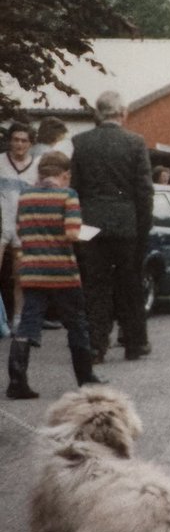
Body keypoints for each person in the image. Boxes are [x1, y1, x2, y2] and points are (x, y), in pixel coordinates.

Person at [7, 151, 104, 399]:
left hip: (32, 270)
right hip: (62, 271)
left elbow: (21, 229)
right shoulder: (67, 195)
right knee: (76, 324)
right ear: (64, 174)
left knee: (27, 323)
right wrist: (88, 233)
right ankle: (86, 378)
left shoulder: (26, 196)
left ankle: (17, 381)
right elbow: (72, 234)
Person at [70, 90, 153, 363]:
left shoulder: (81, 142)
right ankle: (134, 342)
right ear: (123, 113)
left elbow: (75, 189)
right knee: (129, 282)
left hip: (90, 224)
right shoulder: (135, 143)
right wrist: (143, 228)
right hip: (126, 225)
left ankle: (95, 345)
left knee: (94, 284)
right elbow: (144, 190)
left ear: (98, 113)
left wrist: (78, 228)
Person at [0, 121, 39, 325]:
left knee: (20, 277)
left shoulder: (37, 166)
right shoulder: (0, 162)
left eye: (24, 140)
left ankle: (17, 319)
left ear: (30, 143)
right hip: (1, 226)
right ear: (9, 141)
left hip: (22, 228)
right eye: (15, 139)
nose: (19, 144)